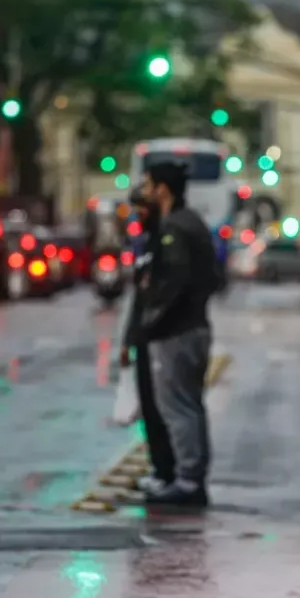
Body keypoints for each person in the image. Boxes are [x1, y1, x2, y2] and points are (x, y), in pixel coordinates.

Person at [137, 160, 218, 507]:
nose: (143, 192)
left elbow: (173, 282)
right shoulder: (194, 222)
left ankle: (188, 482)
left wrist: (152, 321)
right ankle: (191, 476)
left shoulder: (174, 227)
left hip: (177, 332)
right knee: (190, 405)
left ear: (162, 189)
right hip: (195, 326)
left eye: (147, 185)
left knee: (178, 407)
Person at [121, 185, 176, 494]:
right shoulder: (141, 241)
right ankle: (159, 467)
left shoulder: (164, 238)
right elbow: (138, 298)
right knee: (148, 406)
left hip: (161, 335)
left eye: (142, 207)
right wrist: (127, 340)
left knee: (164, 407)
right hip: (144, 334)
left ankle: (170, 471)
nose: (138, 213)